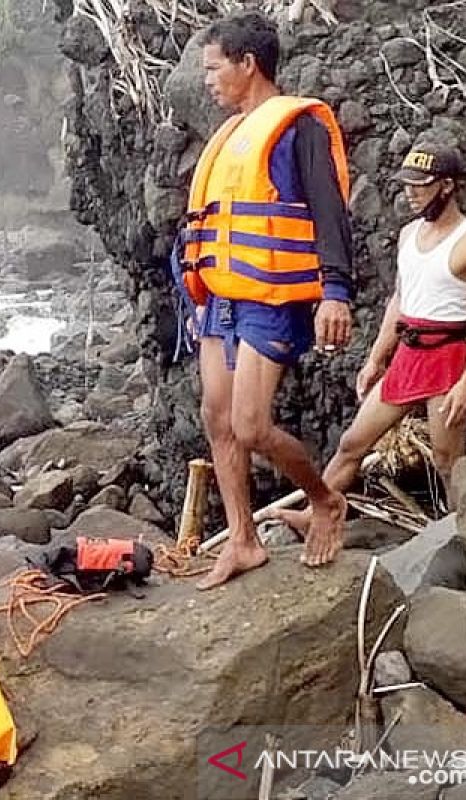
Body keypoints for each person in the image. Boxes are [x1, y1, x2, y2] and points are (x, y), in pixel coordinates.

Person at [174, 12, 356, 590]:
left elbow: (330, 211)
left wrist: (336, 292)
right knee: (216, 417)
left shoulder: (297, 128)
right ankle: (244, 541)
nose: (207, 81)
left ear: (247, 64)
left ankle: (325, 500)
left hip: (272, 297)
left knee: (251, 425)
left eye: (213, 68)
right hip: (221, 298)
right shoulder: (231, 133)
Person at [274, 142, 466, 534]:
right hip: (408, 354)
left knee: (448, 460)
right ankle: (317, 514)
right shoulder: (409, 234)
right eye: (407, 184)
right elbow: (400, 298)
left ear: (446, 186)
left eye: (420, 185)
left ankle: (464, 533)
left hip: (447, 356)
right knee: (352, 444)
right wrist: (376, 359)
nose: (410, 193)